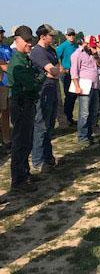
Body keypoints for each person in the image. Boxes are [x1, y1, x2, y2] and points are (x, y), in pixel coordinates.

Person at [7, 26, 43, 192]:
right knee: (20, 142)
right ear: (17, 40)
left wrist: (37, 77)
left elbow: (34, 78)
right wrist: (42, 76)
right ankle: (18, 180)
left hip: (27, 103)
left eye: (31, 41)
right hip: (21, 104)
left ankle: (24, 173)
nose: (30, 44)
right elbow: (32, 84)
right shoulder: (18, 62)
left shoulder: (25, 59)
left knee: (26, 141)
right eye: (27, 41)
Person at [30, 24, 64, 172]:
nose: (53, 38)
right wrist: (55, 71)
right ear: (43, 36)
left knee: (49, 124)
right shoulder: (37, 52)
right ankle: (38, 160)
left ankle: (48, 156)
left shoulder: (51, 50)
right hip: (43, 90)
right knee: (41, 124)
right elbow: (52, 69)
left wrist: (56, 71)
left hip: (53, 86)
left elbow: (57, 68)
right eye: (51, 35)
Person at [71, 35, 100, 146]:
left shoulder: (93, 54)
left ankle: (89, 135)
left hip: (94, 86)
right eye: (91, 46)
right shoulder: (77, 54)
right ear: (85, 44)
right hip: (84, 87)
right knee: (84, 113)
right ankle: (82, 137)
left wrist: (96, 55)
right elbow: (74, 72)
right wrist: (77, 86)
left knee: (93, 112)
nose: (93, 48)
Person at [56, 28, 78, 125]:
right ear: (66, 36)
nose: (71, 36)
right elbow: (54, 57)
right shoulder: (63, 46)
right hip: (67, 73)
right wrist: (60, 67)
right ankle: (66, 118)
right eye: (69, 35)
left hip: (75, 73)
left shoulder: (76, 46)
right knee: (69, 96)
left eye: (73, 34)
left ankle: (69, 117)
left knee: (73, 96)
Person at [0, 25, 12, 154]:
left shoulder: (7, 47)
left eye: (2, 32)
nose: (2, 35)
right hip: (2, 84)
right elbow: (5, 66)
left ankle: (7, 140)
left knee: (5, 114)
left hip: (7, 84)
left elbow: (12, 63)